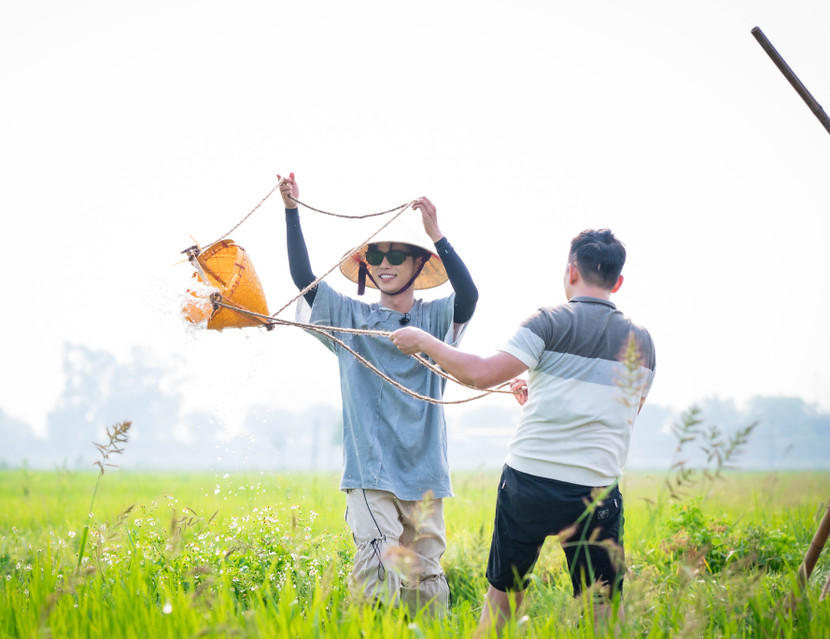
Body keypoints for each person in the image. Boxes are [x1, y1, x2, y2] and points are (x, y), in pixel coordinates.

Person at [390, 228, 656, 635]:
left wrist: (425, 340)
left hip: (529, 484)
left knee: (502, 599)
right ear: (618, 282)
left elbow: (480, 373)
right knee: (602, 608)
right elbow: (619, 418)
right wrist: (542, 401)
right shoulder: (643, 343)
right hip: (596, 489)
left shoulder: (548, 321)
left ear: (570, 272)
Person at [278, 172, 479, 616]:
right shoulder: (348, 316)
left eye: (395, 256)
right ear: (367, 268)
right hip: (370, 471)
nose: (385, 263)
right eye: (377, 257)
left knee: (425, 576)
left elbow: (469, 295)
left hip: (425, 472)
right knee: (377, 568)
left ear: (417, 266)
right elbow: (303, 277)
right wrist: (292, 212)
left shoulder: (434, 321)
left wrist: (437, 234)